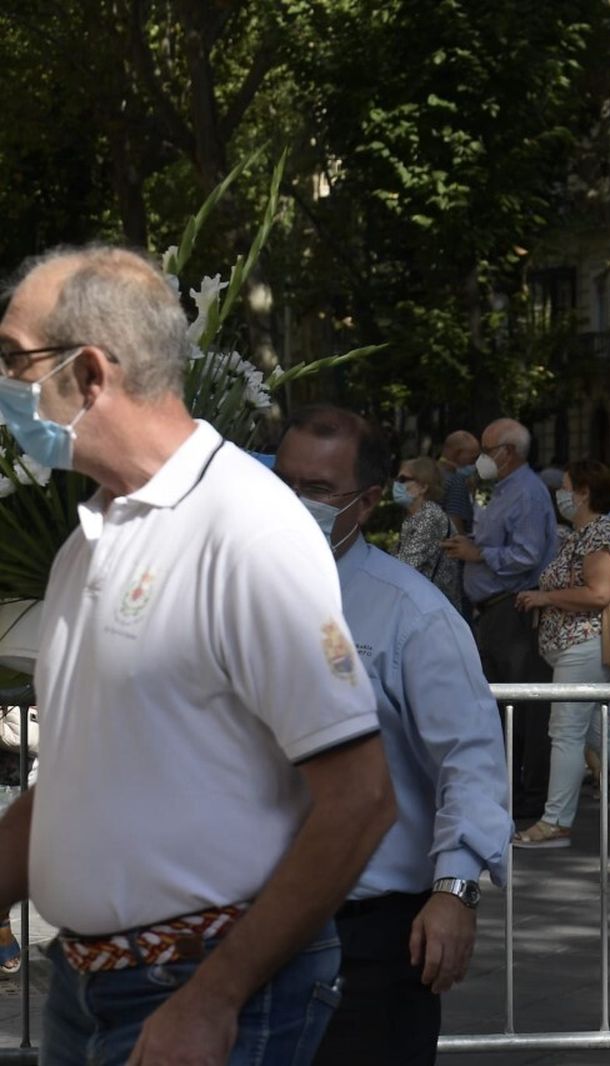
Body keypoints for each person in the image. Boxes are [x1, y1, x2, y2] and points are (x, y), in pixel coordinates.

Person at [0, 245, 396, 1065]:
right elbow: (71, 781)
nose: (4, 386)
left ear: (90, 371)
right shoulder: (90, 540)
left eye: (14, 360)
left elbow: (360, 800)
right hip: (89, 987)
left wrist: (213, 999)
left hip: (206, 989)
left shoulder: (245, 530)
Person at [276, 407, 512, 1066]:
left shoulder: (414, 616)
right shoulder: (243, 594)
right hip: (253, 919)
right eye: (285, 481)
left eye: (319, 489)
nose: (297, 502)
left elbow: (470, 759)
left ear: (369, 499)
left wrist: (455, 891)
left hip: (370, 933)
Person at [511, 459, 610, 848]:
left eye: (565, 487)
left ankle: (555, 822)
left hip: (583, 646)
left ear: (583, 492)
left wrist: (545, 597)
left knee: (564, 731)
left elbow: (599, 594)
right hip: (574, 647)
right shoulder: (581, 534)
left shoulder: (600, 532)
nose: (560, 495)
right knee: (595, 734)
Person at [442, 418, 558, 811]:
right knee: (500, 703)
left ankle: (529, 794)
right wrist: (475, 544)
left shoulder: (525, 492)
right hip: (494, 610)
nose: (479, 461)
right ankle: (509, 787)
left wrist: (479, 554)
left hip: (514, 609)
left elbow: (525, 555)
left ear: (507, 453)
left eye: (485, 453)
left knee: (523, 706)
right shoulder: (503, 490)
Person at [393, 455, 464, 615]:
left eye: (403, 479)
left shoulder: (430, 517)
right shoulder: (415, 517)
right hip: (425, 607)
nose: (396, 484)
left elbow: (407, 564)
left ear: (423, 487)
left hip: (434, 613)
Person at [437, 430, 479, 535]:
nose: (475, 463)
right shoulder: (456, 481)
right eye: (473, 458)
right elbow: (454, 526)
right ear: (457, 454)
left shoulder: (429, 474)